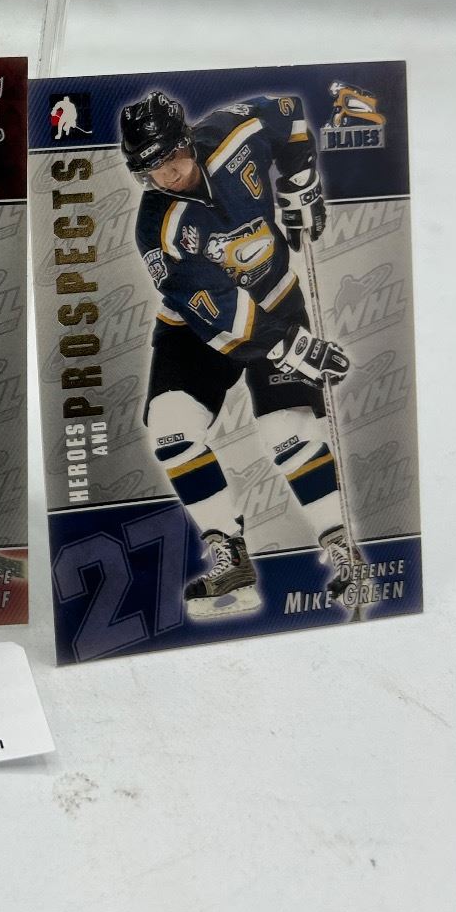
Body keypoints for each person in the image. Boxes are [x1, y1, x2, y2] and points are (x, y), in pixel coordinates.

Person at [122, 89, 354, 618]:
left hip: (275, 298)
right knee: (171, 428)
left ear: (187, 139)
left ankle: (341, 543)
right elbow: (219, 313)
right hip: (195, 327)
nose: (167, 174)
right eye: (152, 167)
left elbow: (289, 112)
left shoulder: (233, 131)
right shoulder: (157, 229)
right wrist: (294, 347)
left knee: (288, 431)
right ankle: (229, 553)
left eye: (172, 157)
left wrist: (300, 178)